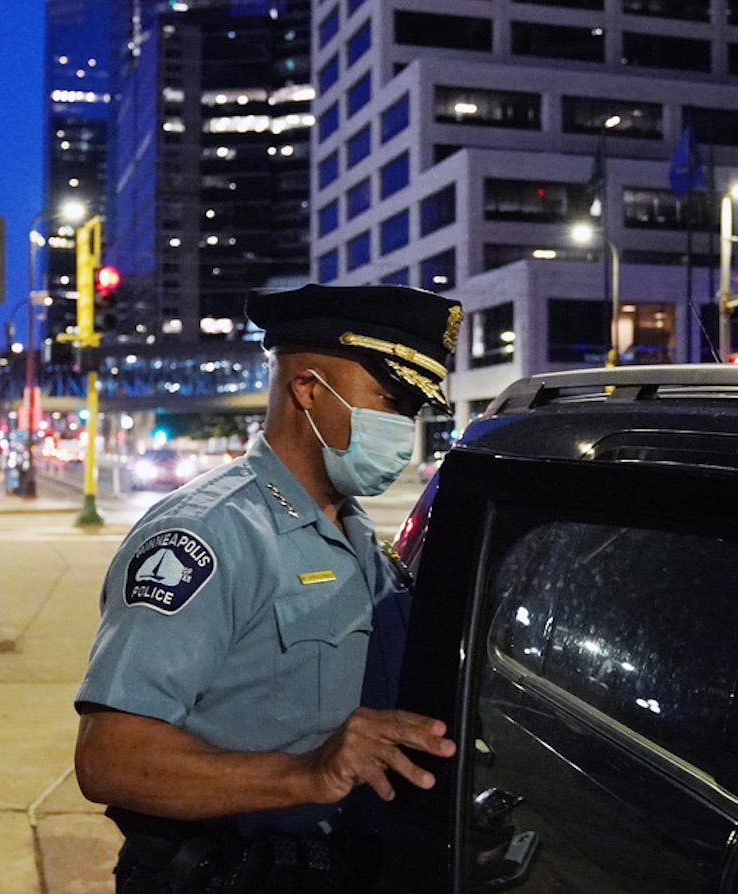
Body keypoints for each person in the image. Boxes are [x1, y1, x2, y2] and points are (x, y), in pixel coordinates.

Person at [74, 284, 463, 892]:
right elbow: (111, 759)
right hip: (224, 874)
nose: (403, 428)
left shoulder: (358, 534)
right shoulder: (205, 535)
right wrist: (310, 773)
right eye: (391, 402)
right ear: (307, 389)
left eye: (413, 411)